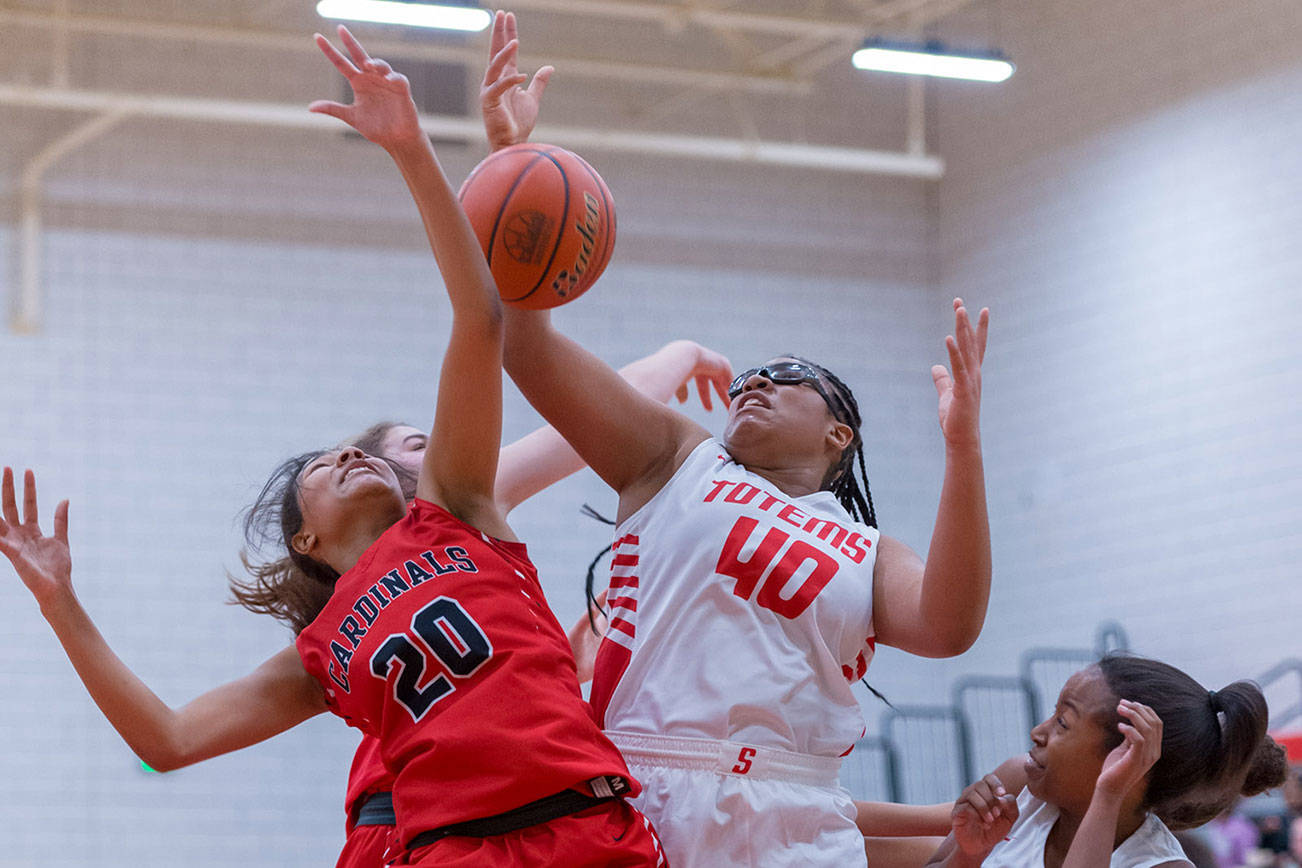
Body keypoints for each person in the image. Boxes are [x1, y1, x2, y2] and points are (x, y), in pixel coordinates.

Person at [0, 28, 668, 866]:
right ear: (304, 541)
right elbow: (168, 738)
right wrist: (62, 606)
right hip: (453, 853)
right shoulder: (317, 658)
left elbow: (482, 318)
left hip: (588, 828)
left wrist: (413, 149)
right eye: (322, 466)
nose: (350, 456)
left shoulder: (455, 507)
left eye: (357, 453)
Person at [480, 17, 992, 865]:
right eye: (748, 374)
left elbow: (949, 625)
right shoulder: (678, 457)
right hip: (648, 787)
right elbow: (528, 348)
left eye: (784, 374)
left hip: (801, 809)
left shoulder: (864, 550)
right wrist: (508, 169)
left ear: (840, 430)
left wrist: (964, 449)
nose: (753, 381)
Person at [924, 656, 1289, 868]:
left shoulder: (1161, 865)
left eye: (1063, 722)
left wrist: (1108, 795)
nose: (1038, 732)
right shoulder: (1017, 785)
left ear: (1129, 757)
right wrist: (967, 856)